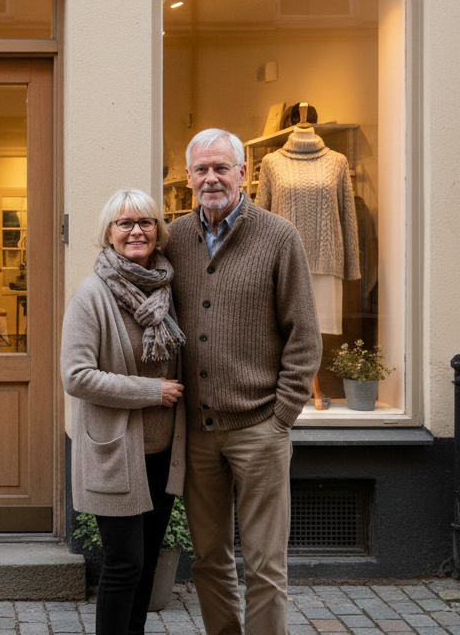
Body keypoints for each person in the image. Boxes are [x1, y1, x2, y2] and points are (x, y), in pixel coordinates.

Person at [165, 129, 322, 635]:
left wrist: (283, 416)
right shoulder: (173, 238)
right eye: (202, 169)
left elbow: (304, 334)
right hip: (198, 433)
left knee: (265, 565)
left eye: (221, 168)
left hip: (260, 429)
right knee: (209, 560)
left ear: (243, 172)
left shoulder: (279, 236)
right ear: (188, 177)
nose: (211, 178)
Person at [61, 189, 186, 635]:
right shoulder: (91, 295)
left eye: (145, 222)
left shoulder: (169, 289)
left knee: (147, 563)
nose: (136, 231)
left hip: (164, 453)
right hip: (116, 452)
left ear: (158, 231)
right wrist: (150, 391)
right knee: (124, 563)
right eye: (125, 223)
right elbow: (77, 376)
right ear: (109, 233)